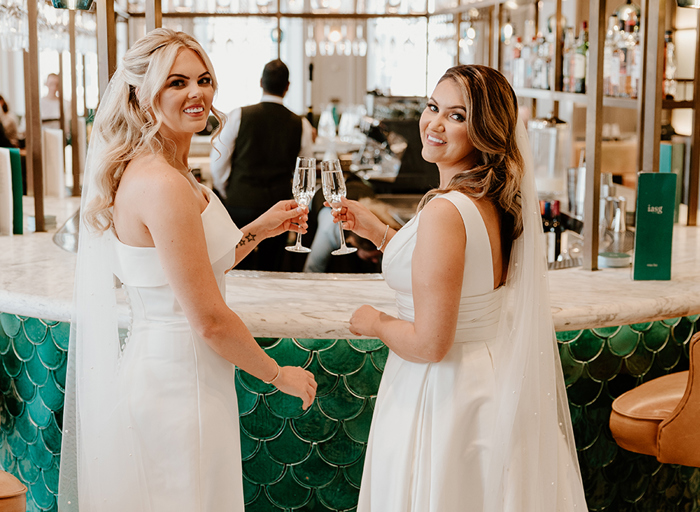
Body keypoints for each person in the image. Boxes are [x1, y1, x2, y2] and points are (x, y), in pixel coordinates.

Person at [58, 28, 317, 512]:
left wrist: (259, 229)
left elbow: (194, 268)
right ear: (143, 94)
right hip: (178, 382)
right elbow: (209, 319)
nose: (197, 93)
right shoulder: (162, 183)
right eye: (177, 83)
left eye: (203, 79)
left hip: (182, 372)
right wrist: (277, 374)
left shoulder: (167, 168)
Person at [334, 65, 588, 511]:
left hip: (442, 392)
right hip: (484, 380)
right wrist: (379, 232)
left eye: (456, 115)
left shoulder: (445, 211)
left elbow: (431, 343)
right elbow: (455, 275)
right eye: (433, 107)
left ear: (484, 131)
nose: (434, 123)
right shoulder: (487, 200)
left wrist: (374, 321)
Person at [210, 59, 315, 271]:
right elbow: (306, 171)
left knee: (237, 264)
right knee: (272, 268)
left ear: (260, 82)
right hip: (278, 207)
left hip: (240, 202)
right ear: (287, 86)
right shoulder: (301, 123)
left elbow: (218, 162)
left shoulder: (239, 115)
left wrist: (226, 191)